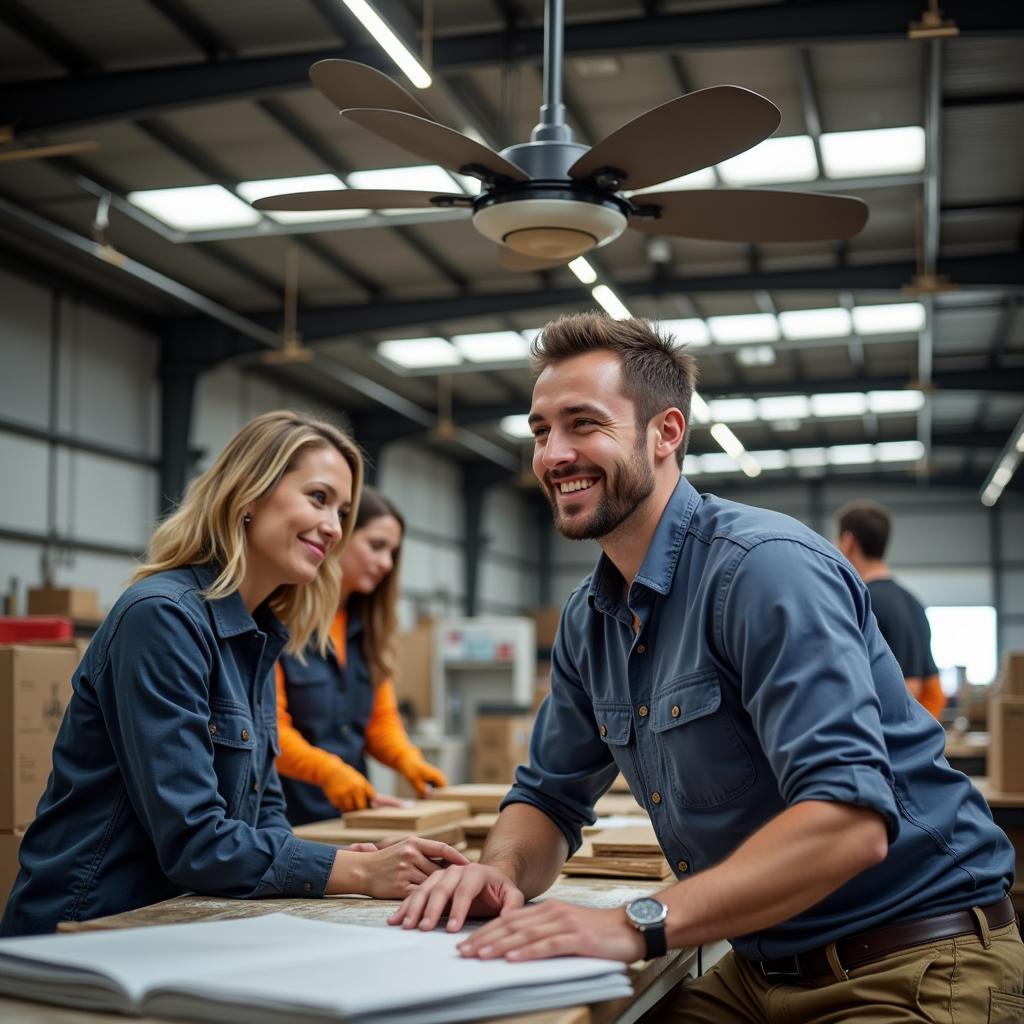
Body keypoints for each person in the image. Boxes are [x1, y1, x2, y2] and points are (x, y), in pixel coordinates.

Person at [388, 315, 1023, 1021]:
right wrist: (499, 872)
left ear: (666, 433)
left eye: (582, 424)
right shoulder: (588, 618)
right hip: (756, 972)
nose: (553, 454)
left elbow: (849, 823)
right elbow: (548, 798)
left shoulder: (764, 571)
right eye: (540, 431)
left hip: (913, 963)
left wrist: (634, 924)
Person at [1, 411, 466, 937]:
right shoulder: (162, 617)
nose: (335, 527)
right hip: (87, 926)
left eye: (342, 510)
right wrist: (356, 870)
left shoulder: (257, 635)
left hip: (180, 919)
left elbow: (265, 808)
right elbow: (193, 839)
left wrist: (331, 861)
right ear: (250, 494)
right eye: (318, 498)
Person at [275, 486, 447, 823]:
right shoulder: (281, 623)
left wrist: (407, 760)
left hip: (348, 818)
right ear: (338, 536)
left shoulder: (368, 630)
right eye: (376, 546)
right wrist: (329, 773)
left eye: (393, 553)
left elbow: (379, 721)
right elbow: (270, 729)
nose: (386, 564)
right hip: (285, 820)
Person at [837, 500, 946, 719]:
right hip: (915, 734)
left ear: (848, 542)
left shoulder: (857, 602)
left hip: (878, 736)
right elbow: (932, 689)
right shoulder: (914, 602)